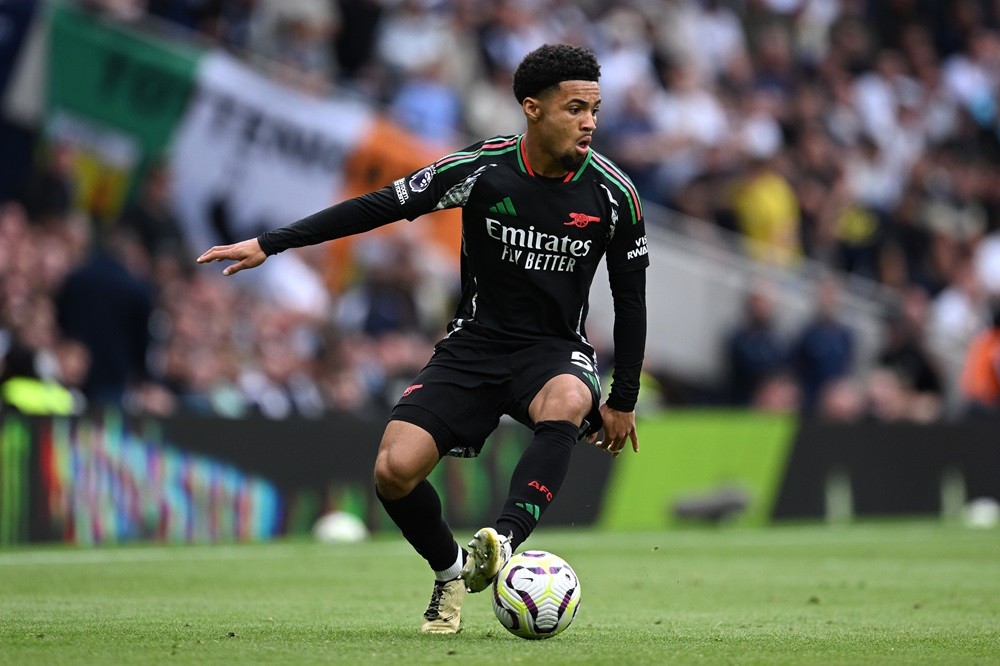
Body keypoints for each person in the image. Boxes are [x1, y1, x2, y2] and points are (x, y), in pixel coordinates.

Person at [197, 44, 648, 634]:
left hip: (553, 351)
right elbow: (377, 206)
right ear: (532, 109)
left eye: (595, 108)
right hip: (474, 345)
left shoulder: (615, 196)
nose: (590, 122)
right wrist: (272, 243)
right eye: (575, 108)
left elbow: (632, 300)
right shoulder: (480, 170)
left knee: (566, 399)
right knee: (393, 470)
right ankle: (451, 571)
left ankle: (503, 544)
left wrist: (624, 397)